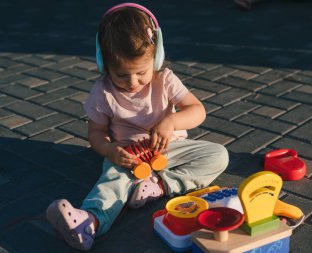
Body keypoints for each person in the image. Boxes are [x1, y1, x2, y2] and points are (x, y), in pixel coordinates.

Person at [45, 3, 229, 251]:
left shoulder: (165, 79)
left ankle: (161, 185)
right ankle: (90, 221)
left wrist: (171, 121)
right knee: (113, 182)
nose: (132, 82)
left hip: (169, 149)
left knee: (217, 155)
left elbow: (197, 110)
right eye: (121, 75)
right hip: (128, 156)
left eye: (141, 72)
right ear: (104, 63)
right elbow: (96, 133)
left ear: (157, 57)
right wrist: (110, 151)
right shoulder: (103, 91)